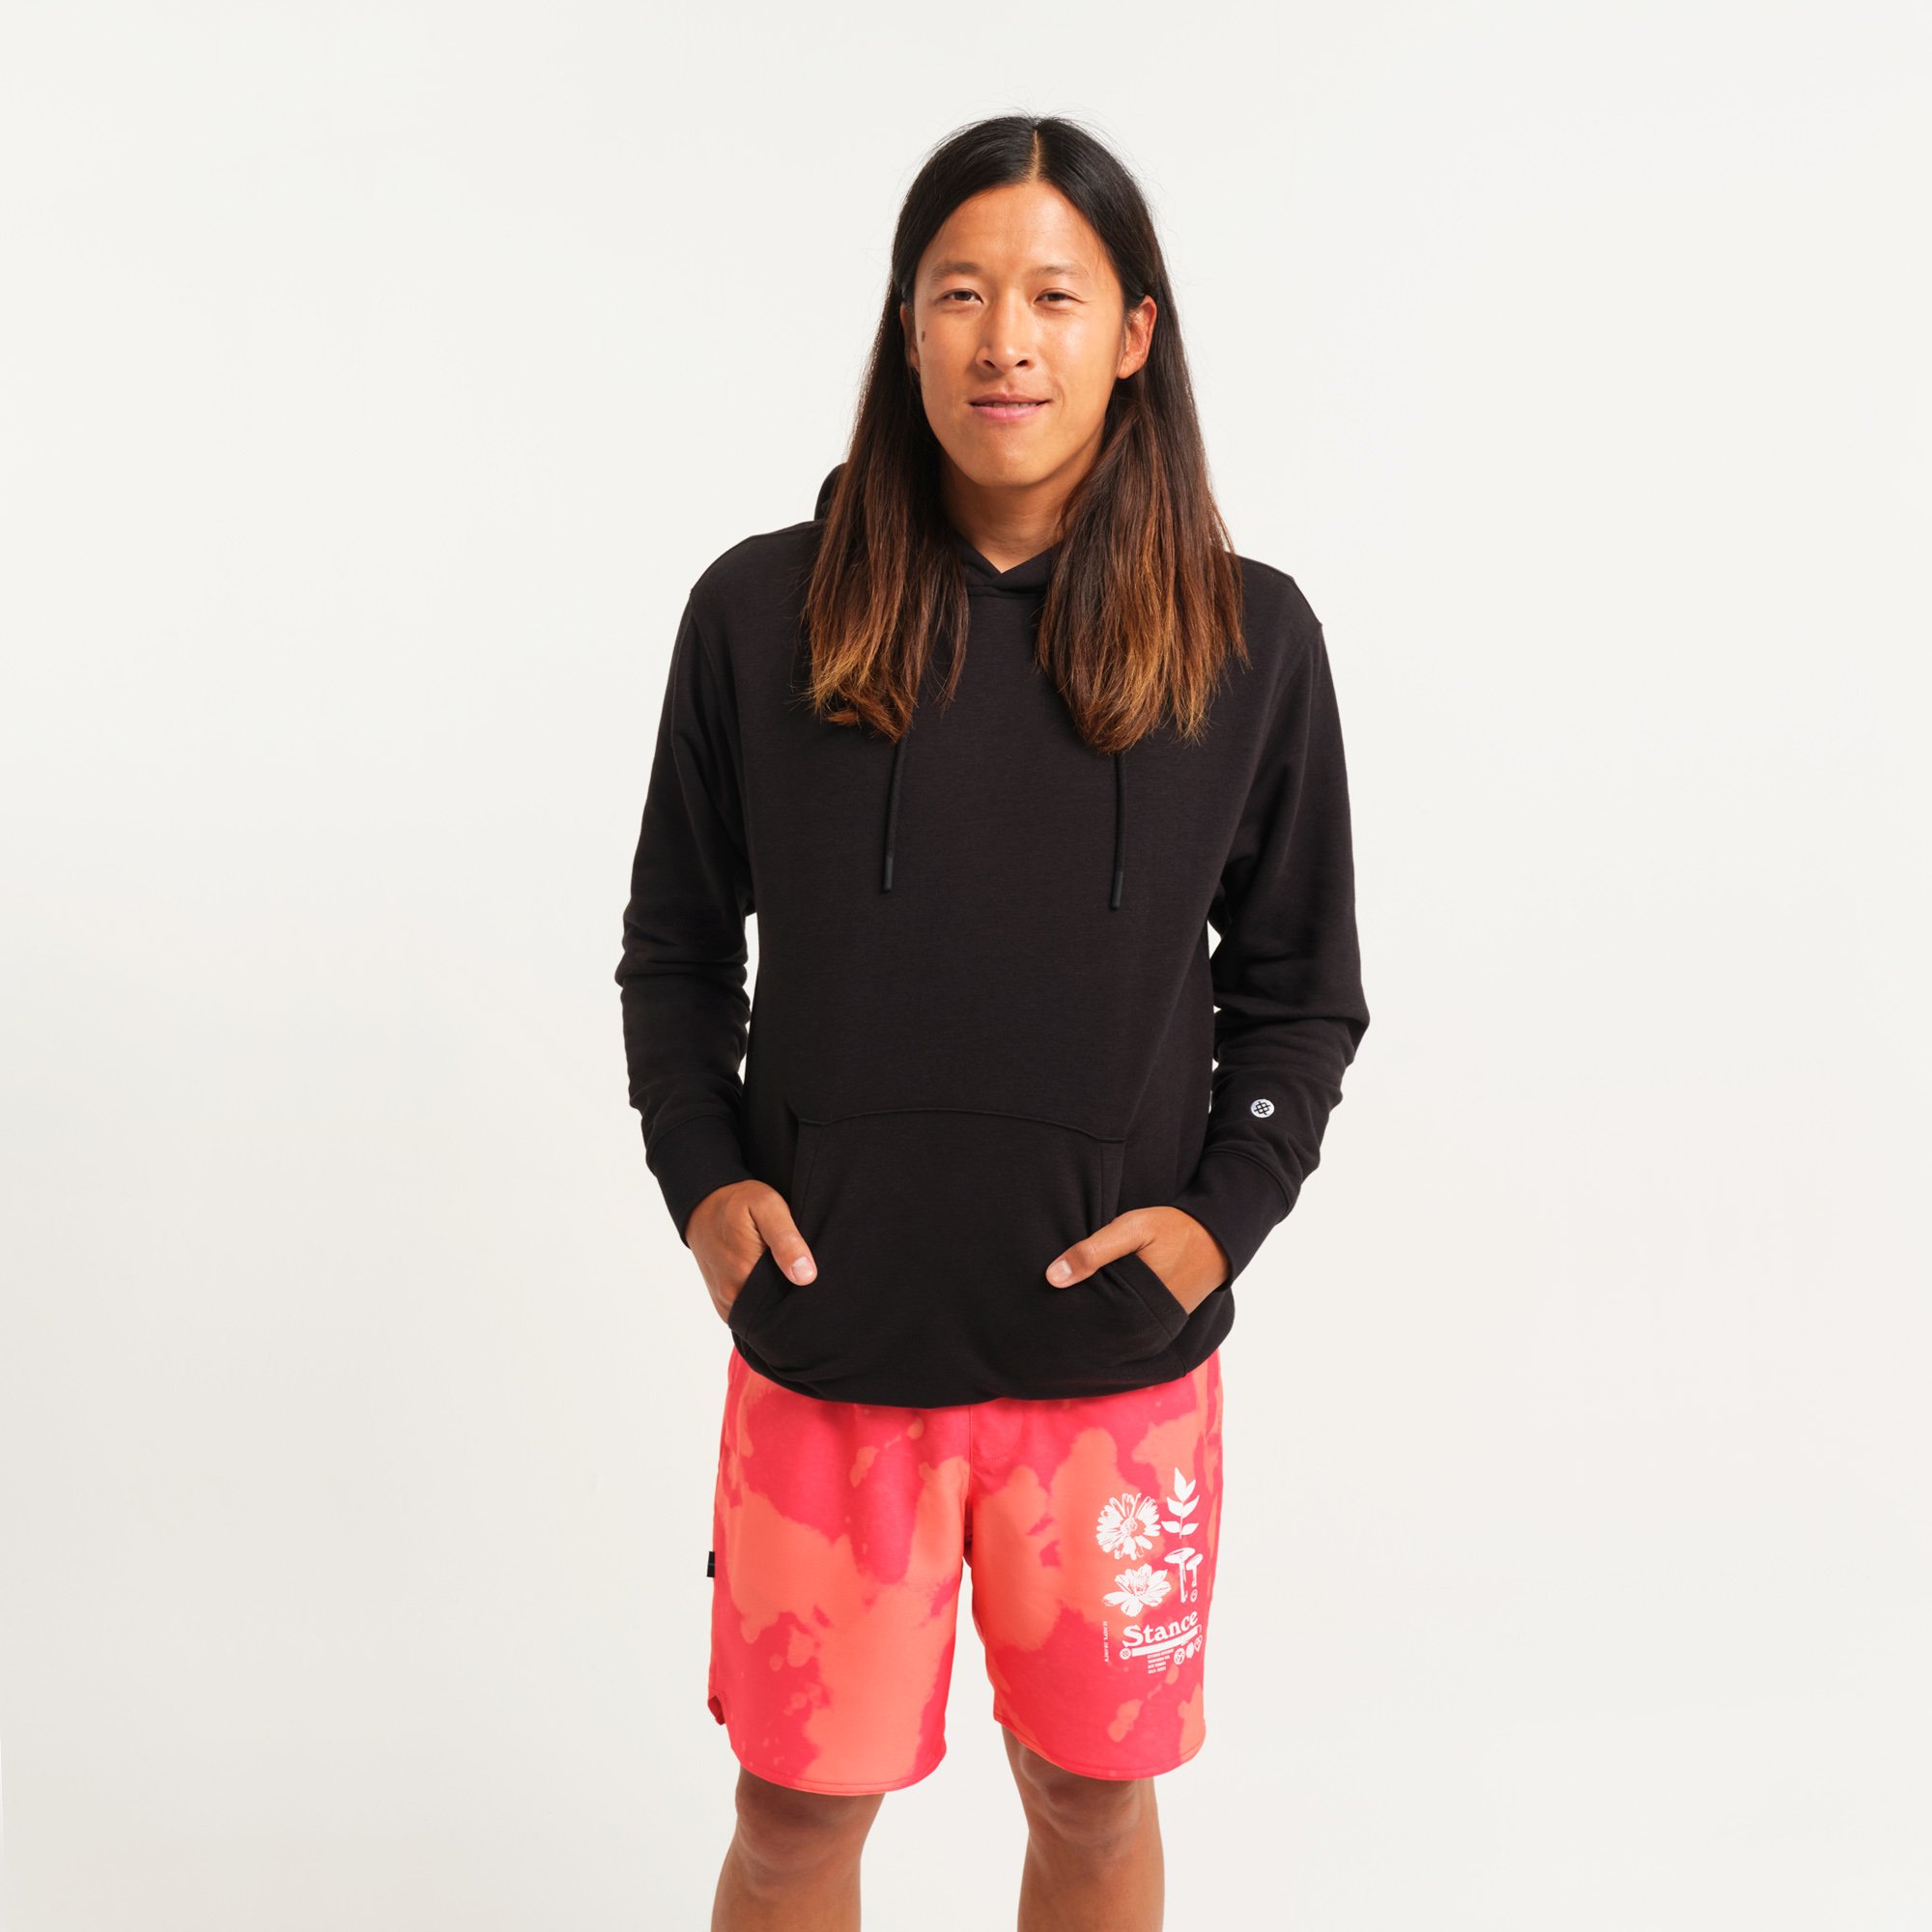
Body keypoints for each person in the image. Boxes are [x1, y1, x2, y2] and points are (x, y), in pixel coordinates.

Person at [615, 113, 1370, 1932]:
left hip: (1113, 1373)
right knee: (793, 1823)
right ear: (906, 326)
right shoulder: (760, 616)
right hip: (829, 1356)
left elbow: (1298, 994)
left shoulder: (1248, 640)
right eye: (959, 293)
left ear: (1136, 332)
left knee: (1093, 1808)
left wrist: (1218, 1223)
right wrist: (705, 1186)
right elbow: (673, 949)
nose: (1004, 341)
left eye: (1053, 296)